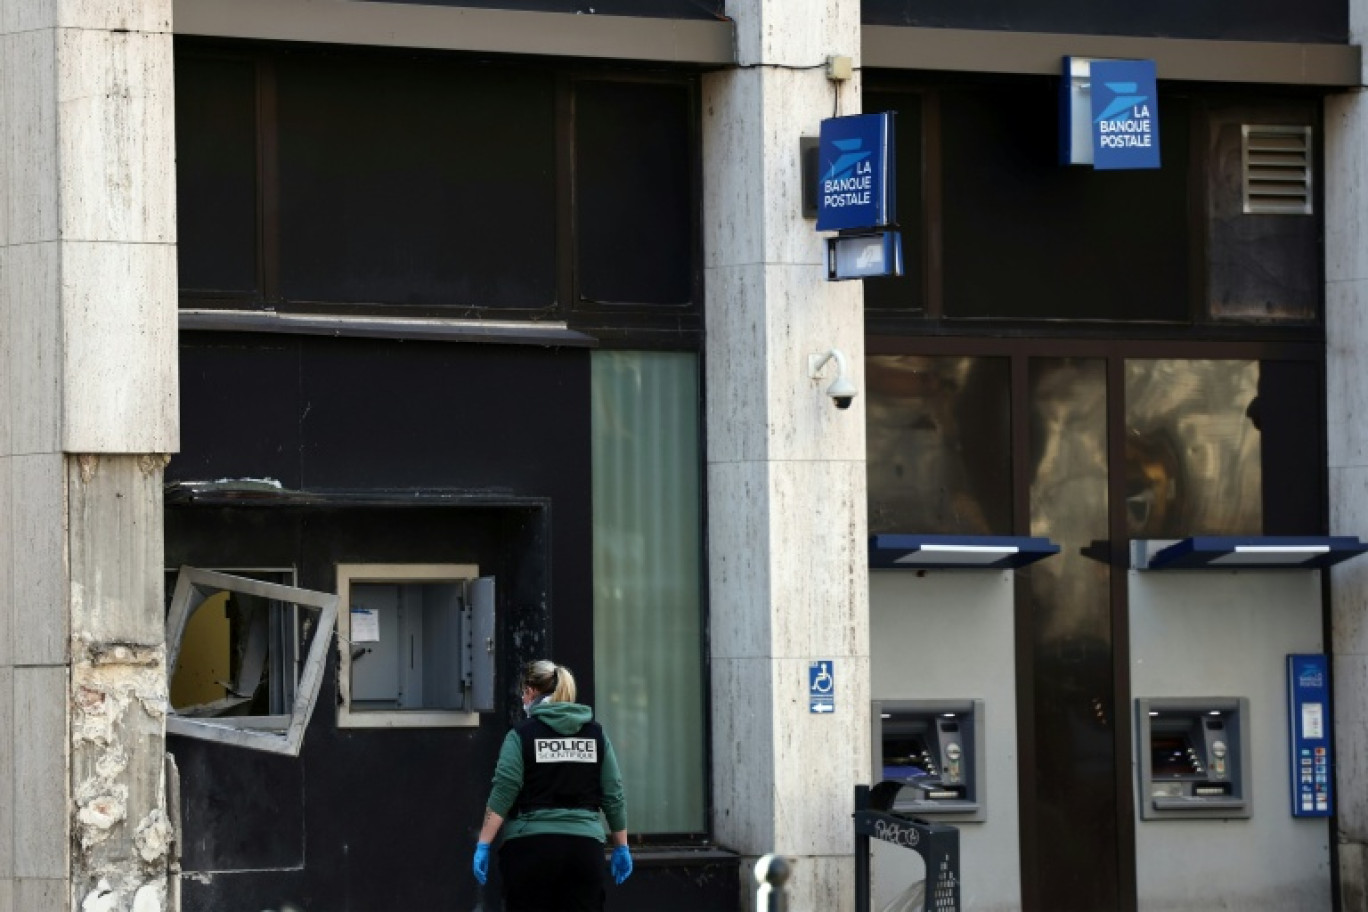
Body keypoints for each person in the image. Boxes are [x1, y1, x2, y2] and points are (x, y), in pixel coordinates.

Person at [472, 660, 633, 911]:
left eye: (524, 693)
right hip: (584, 850)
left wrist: (484, 843)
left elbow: (504, 791)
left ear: (532, 691)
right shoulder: (595, 735)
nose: (523, 699)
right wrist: (622, 846)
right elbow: (613, 793)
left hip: (531, 849)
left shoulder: (521, 735)